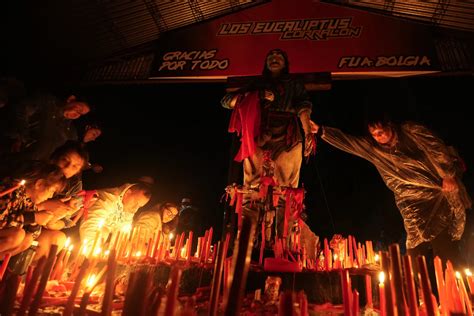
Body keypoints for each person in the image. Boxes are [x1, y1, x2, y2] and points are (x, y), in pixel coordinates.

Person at [311, 114, 472, 268]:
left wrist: (448, 174)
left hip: (437, 201)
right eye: (374, 134)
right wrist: (321, 131)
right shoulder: (376, 150)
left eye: (381, 132)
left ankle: (455, 293)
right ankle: (421, 293)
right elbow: (350, 143)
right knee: (415, 258)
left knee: (445, 256)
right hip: (413, 211)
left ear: (390, 125)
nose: (378, 137)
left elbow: (436, 148)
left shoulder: (410, 132)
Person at [221, 49, 318, 258]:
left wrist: (308, 132)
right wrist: (255, 96)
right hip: (259, 134)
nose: (275, 59)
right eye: (271, 57)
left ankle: (284, 246)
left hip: (289, 136)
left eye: (279, 57)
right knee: (252, 188)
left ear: (285, 63)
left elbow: (303, 107)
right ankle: (247, 242)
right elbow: (226, 101)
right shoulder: (256, 84)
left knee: (287, 191)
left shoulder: (294, 85)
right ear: (266, 63)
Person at [5, 92, 90, 166]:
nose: (77, 114)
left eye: (81, 114)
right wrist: (19, 137)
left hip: (34, 170)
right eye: (79, 109)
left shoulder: (70, 131)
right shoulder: (47, 103)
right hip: (11, 155)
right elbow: (21, 109)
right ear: (71, 99)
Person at [0, 162, 66, 257]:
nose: (51, 196)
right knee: (18, 234)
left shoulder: (30, 202)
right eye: (51, 191)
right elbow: (2, 221)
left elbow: (34, 234)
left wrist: (35, 222)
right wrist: (32, 218)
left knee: (28, 239)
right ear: (39, 184)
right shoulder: (11, 190)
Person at [79, 182, 152, 247]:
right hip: (78, 237)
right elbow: (90, 225)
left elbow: (121, 234)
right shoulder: (107, 199)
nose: (135, 208)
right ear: (128, 193)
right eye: (136, 203)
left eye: (139, 206)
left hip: (99, 240)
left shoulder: (129, 208)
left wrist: (116, 252)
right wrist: (92, 251)